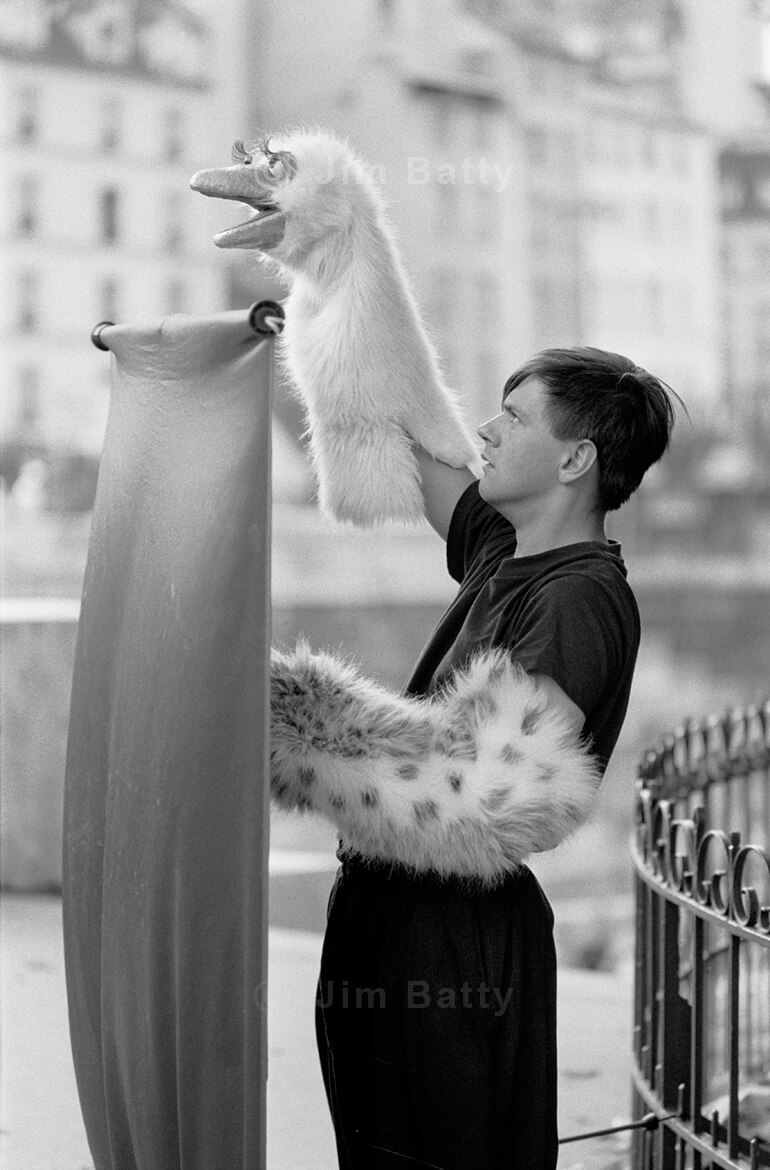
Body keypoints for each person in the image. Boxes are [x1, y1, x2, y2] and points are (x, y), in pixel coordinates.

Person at [273, 345, 678, 1169]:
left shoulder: (578, 599)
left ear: (576, 458)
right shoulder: (505, 545)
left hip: (452, 939)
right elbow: (388, 418)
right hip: (386, 911)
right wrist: (324, 280)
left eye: (514, 415)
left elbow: (485, 799)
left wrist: (297, 715)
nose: (485, 431)